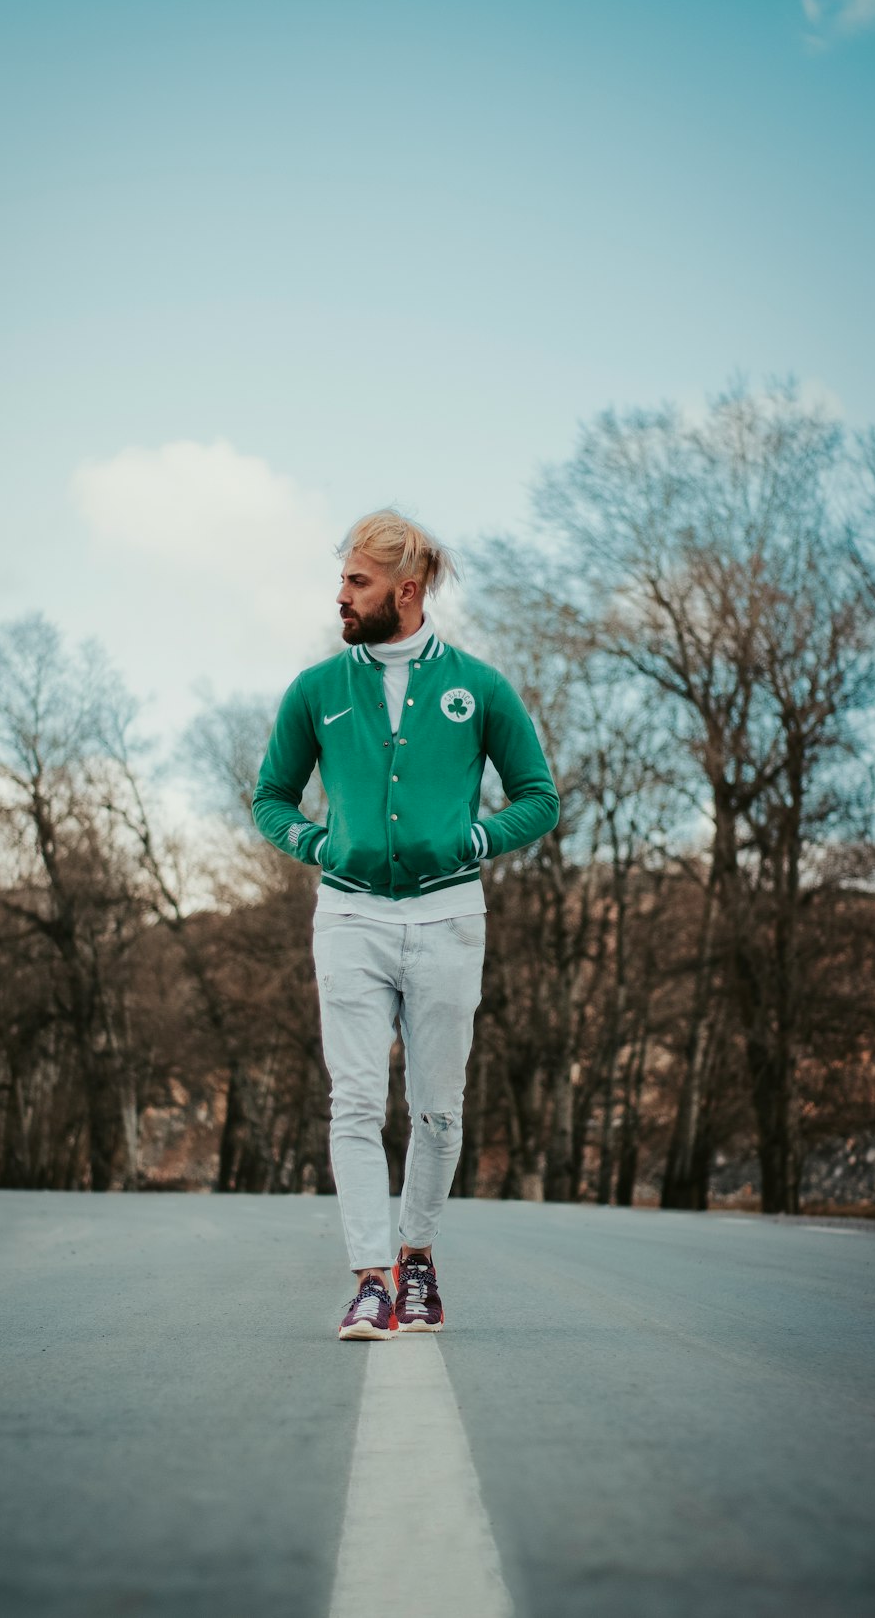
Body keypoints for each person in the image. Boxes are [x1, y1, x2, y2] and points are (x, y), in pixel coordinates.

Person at [252, 509, 559, 1339]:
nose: (341, 596)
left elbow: (539, 797)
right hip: (349, 913)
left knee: (439, 1110)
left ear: (406, 590)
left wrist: (476, 837)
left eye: (358, 581)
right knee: (352, 1103)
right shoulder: (316, 691)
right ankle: (369, 1280)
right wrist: (317, 842)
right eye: (344, 578)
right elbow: (270, 799)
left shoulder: (480, 687)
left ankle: (417, 1261)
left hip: (450, 915)